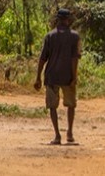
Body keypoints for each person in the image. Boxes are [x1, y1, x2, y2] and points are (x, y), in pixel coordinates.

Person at [34, 8, 82, 146]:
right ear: (68, 20)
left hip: (51, 76)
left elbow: (42, 58)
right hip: (67, 76)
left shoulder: (49, 36)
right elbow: (75, 59)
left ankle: (57, 135)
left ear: (57, 20)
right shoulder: (75, 37)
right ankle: (70, 133)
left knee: (52, 107)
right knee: (71, 105)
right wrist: (74, 76)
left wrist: (38, 77)